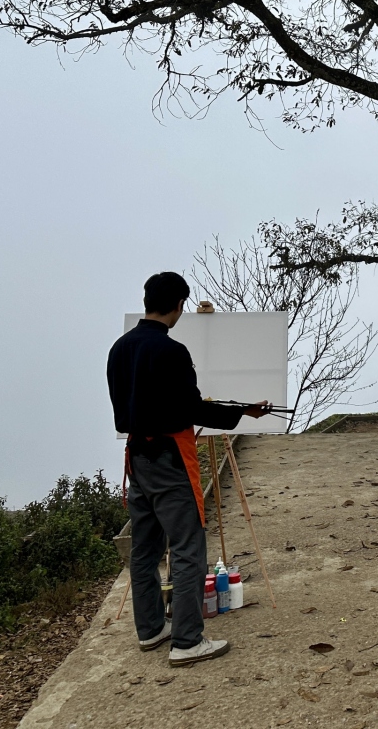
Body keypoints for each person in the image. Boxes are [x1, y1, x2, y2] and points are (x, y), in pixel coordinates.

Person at [107, 272, 270, 667]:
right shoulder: (172, 352)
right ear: (179, 305)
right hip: (170, 458)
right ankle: (187, 641)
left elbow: (123, 411)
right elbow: (192, 409)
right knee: (187, 546)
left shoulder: (119, 348)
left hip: (137, 457)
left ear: (148, 300)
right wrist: (241, 412)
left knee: (145, 549)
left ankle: (150, 630)